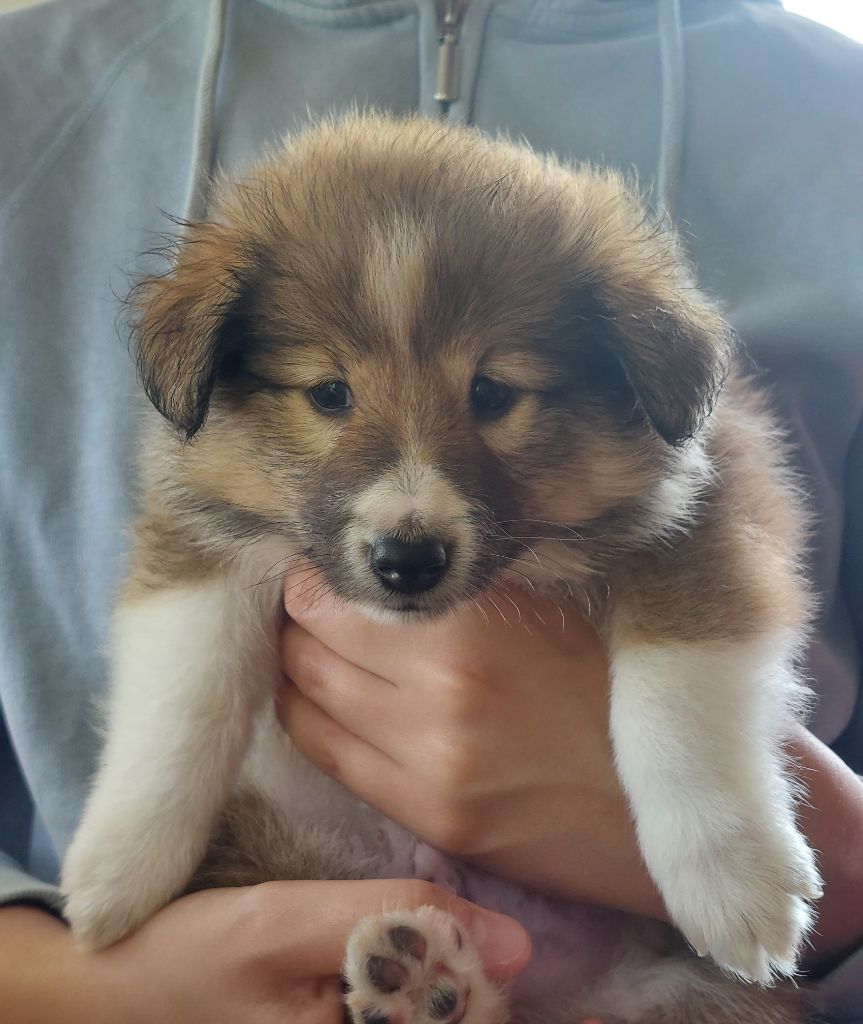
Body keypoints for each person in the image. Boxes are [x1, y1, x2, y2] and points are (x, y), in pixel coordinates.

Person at [1, 0, 862, 1020]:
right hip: (267, 924)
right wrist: (86, 983)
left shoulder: (828, 118)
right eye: (330, 394)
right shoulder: (32, 88)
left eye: (492, 395)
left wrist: (787, 849)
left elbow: (700, 539)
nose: (408, 498)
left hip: (670, 963)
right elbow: (190, 561)